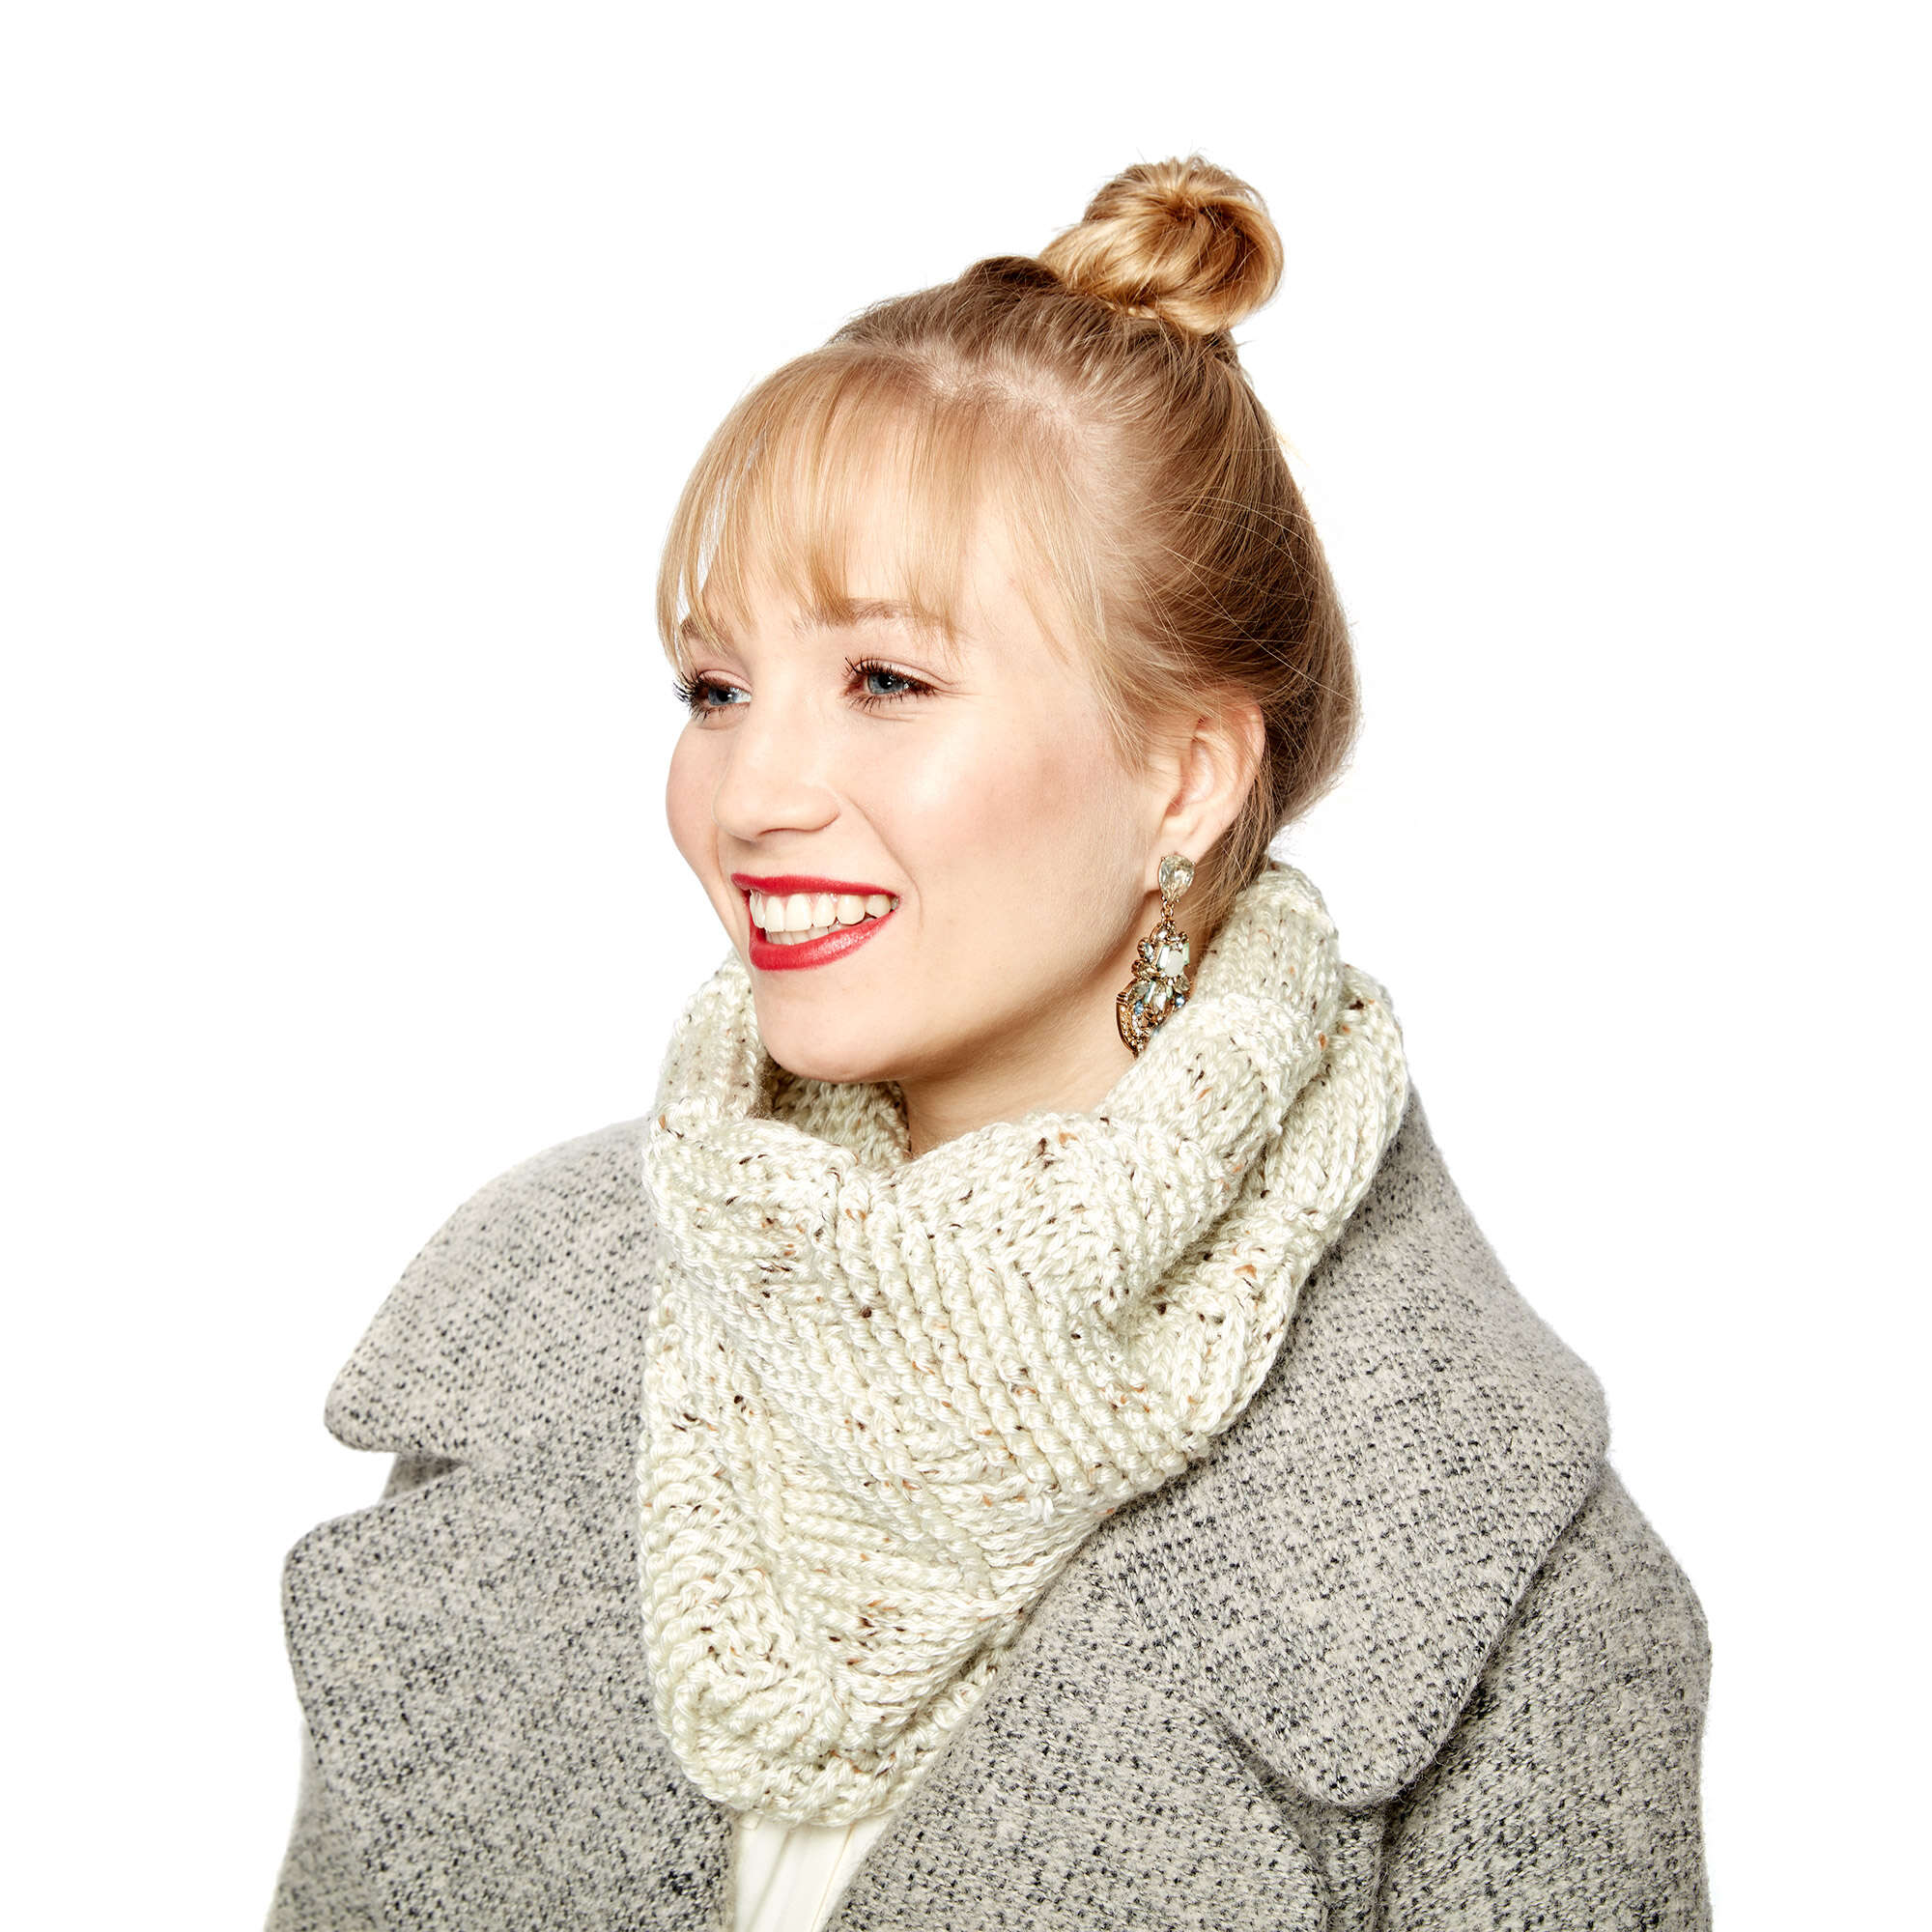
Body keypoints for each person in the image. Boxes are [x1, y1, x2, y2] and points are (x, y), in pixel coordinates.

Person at [266, 156, 1713, 1931]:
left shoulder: (1486, 1552)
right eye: (716, 691)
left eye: (885, 681)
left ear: (1185, 775)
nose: (752, 792)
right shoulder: (534, 1321)